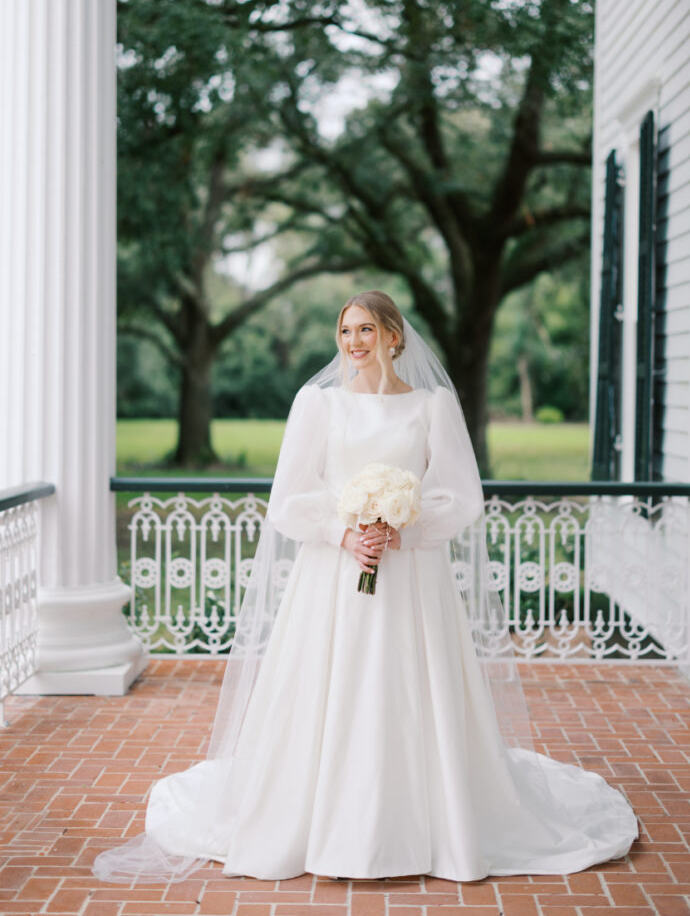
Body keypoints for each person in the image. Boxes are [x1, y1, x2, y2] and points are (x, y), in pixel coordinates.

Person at [93, 290, 638, 884]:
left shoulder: (432, 406)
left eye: (366, 331)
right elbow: (286, 499)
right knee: (332, 686)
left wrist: (406, 528)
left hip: (412, 579)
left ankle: (429, 825)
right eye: (346, 331)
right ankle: (318, 822)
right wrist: (341, 531)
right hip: (331, 576)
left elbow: (462, 494)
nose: (354, 342)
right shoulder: (317, 404)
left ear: (394, 337)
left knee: (408, 687)